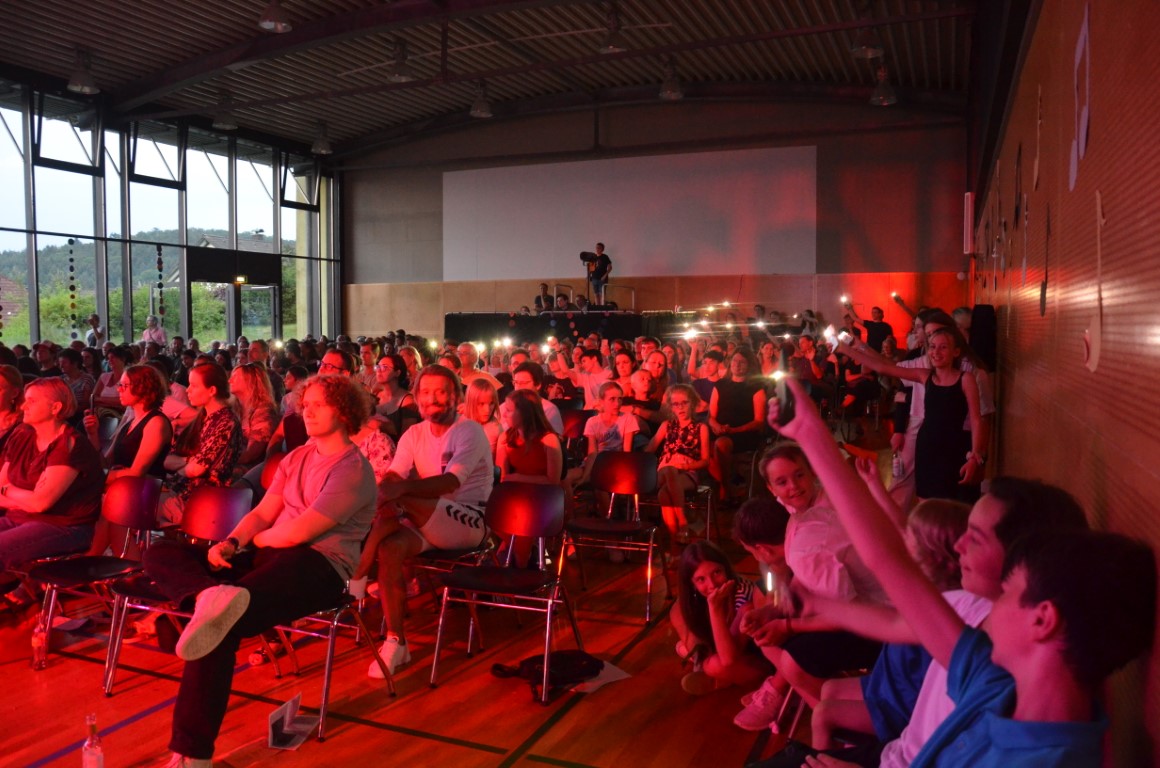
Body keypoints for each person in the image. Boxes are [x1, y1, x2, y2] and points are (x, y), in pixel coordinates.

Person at [766, 375, 1157, 767]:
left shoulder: (1042, 751)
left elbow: (887, 561)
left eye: (1008, 590)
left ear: (1042, 620)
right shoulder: (992, 677)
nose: (991, 604)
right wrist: (809, 431)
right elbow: (885, 558)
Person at [143, 374, 376, 767]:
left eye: (319, 404)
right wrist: (231, 543)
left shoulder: (353, 469)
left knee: (220, 625)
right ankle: (206, 595)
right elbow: (264, 513)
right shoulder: (297, 457)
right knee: (162, 551)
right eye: (306, 404)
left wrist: (255, 543)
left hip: (318, 566)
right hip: (272, 554)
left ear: (344, 411)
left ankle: (191, 754)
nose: (308, 411)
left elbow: (300, 533)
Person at [733, 443, 887, 731]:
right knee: (768, 635)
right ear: (771, 489)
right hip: (862, 605)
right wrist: (772, 612)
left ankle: (850, 725)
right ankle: (806, 701)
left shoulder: (811, 541)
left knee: (792, 659)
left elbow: (847, 615)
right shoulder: (803, 509)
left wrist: (787, 626)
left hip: (881, 622)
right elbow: (803, 584)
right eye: (782, 482)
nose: (793, 486)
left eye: (799, 475)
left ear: (811, 472)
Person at [355, 365, 494, 677]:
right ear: (417, 398)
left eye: (441, 392)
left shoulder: (469, 431)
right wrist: (391, 489)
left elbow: (450, 483)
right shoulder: (414, 434)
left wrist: (397, 491)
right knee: (390, 548)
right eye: (427, 392)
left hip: (470, 522)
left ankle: (359, 570)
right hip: (427, 522)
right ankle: (396, 641)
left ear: (456, 397)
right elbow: (394, 476)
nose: (433, 398)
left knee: (398, 498)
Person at [0, 378, 104, 609]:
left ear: (55, 408)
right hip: (20, 517)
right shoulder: (22, 434)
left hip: (64, 526)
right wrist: (21, 497)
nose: (23, 406)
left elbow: (41, 503)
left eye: (32, 401)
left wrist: (10, 491)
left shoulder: (70, 444)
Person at [82, 364, 174, 558]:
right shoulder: (130, 423)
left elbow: (137, 472)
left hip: (146, 492)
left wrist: (101, 477)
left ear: (142, 388)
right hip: (123, 490)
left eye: (124, 385)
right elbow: (105, 464)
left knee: (107, 508)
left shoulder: (156, 422)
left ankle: (93, 560)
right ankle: (98, 561)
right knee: (105, 510)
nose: (119, 389)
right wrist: (93, 435)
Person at [671, 540, 770, 696]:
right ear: (691, 583)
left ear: (726, 569)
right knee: (683, 646)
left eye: (717, 572)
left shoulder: (744, 595)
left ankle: (719, 680)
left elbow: (729, 657)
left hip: (755, 657)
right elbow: (697, 646)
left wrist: (714, 608)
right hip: (722, 648)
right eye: (701, 579)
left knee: (714, 665)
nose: (712, 585)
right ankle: (715, 675)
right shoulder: (690, 601)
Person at [159, 363, 243, 525]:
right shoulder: (201, 418)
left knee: (130, 501)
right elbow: (167, 461)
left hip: (201, 502)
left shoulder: (226, 422)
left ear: (212, 390)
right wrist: (189, 460)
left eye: (194, 385)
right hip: (181, 493)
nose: (188, 390)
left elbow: (196, 470)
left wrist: (187, 464)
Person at [645, 383, 709, 546]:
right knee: (669, 469)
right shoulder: (666, 425)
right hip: (664, 470)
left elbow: (705, 460)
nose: (680, 407)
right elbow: (649, 449)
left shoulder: (701, 428)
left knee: (664, 494)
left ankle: (675, 542)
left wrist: (686, 467)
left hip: (687, 471)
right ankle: (683, 523)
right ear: (671, 407)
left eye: (684, 403)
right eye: (675, 404)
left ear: (692, 403)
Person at [708, 351, 767, 506]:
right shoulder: (720, 385)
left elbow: (759, 421)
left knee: (722, 444)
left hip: (743, 433)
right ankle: (728, 488)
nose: (737, 365)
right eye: (735, 361)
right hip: (721, 430)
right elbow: (711, 416)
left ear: (749, 365)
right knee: (704, 447)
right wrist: (717, 426)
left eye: (742, 362)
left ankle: (725, 491)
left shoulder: (756, 388)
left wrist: (735, 430)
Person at [374, 353, 418, 440]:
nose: (379, 370)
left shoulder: (407, 400)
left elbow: (407, 436)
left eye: (385, 367)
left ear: (397, 373)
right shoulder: (376, 395)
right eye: (378, 367)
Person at [462, 377, 502, 462]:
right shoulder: (457, 422)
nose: (487, 410)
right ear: (471, 403)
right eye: (481, 404)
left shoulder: (494, 429)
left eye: (491, 403)